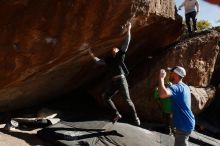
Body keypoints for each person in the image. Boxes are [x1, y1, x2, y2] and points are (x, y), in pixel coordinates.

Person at [88, 22, 140, 126]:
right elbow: (98, 61)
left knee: (127, 100)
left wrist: (129, 29)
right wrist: (91, 54)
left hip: (121, 80)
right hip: (114, 82)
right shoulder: (109, 60)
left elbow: (126, 43)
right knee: (105, 96)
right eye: (113, 49)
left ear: (117, 50)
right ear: (111, 52)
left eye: (116, 48)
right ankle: (116, 114)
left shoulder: (120, 55)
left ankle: (135, 117)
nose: (114, 49)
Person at [158, 66, 195, 146]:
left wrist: (161, 78)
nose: (169, 74)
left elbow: (162, 94)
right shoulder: (184, 86)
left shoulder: (176, 88)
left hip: (183, 125)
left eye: (171, 72)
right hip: (186, 123)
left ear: (175, 74)